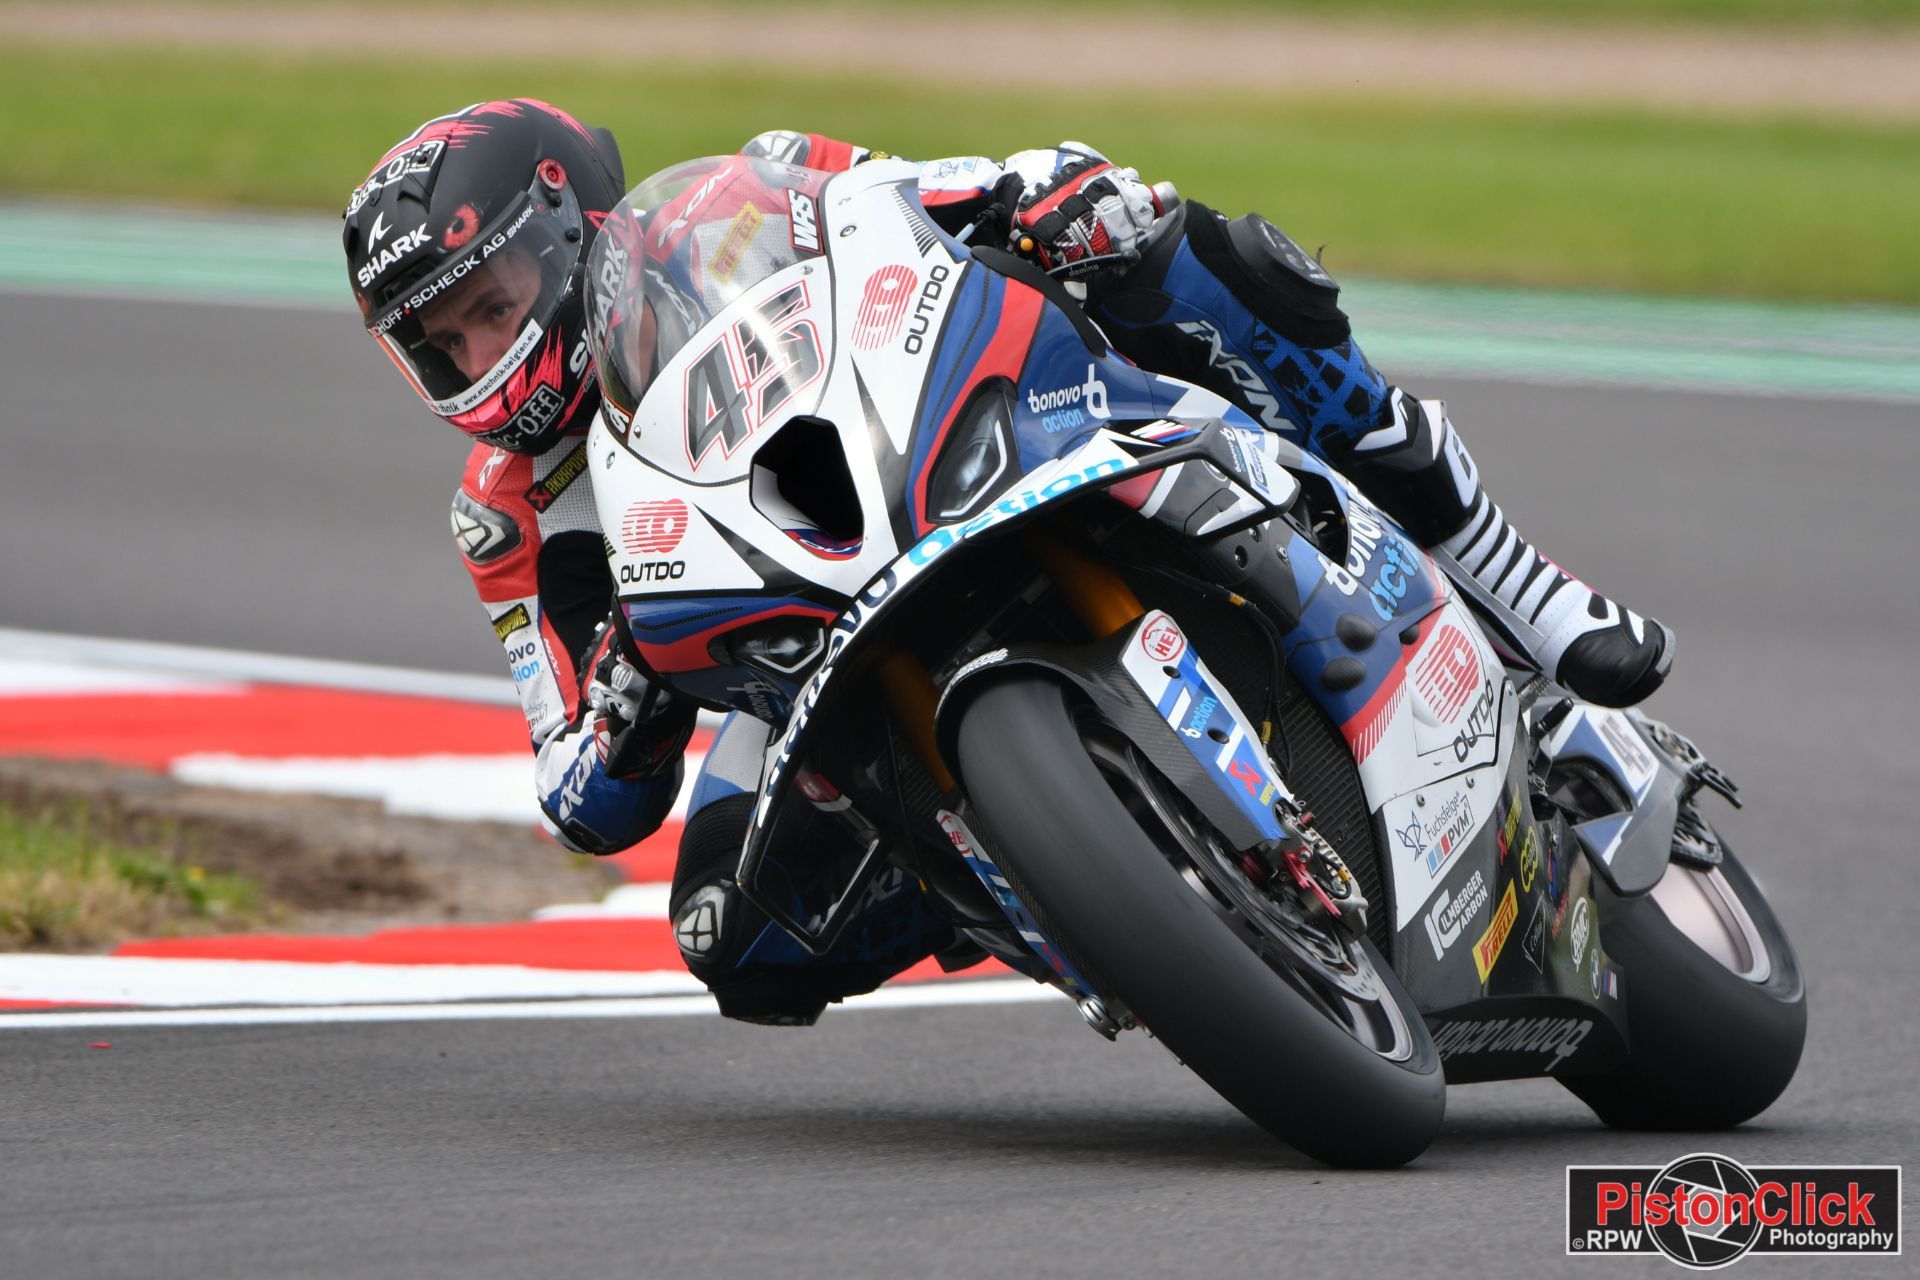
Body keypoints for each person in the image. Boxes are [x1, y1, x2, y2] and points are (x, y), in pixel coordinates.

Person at [343, 102, 1672, 1025]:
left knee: (1180, 249)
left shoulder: (730, 202)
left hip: (960, 438)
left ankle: (1515, 584)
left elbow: (899, 199)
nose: (477, 363)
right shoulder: (509, 518)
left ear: (565, 229)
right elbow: (576, 786)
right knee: (732, 935)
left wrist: (1036, 188)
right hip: (792, 647)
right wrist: (623, 718)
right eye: (438, 347)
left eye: (488, 310)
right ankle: (1073, 890)